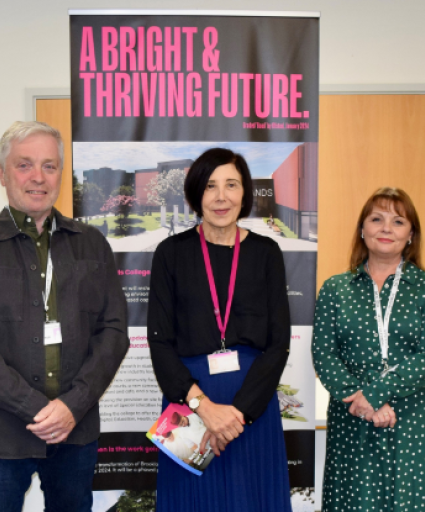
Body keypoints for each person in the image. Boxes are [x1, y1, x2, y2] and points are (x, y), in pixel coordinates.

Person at [0, 121, 128, 512]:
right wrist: (36, 407)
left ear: (61, 172)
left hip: (74, 431)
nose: (38, 178)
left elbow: (113, 332)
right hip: (0, 433)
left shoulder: (91, 243)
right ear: (2, 173)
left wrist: (72, 405)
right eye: (24, 165)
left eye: (50, 165)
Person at [148, 148, 292, 512]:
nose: (221, 196)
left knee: (253, 499)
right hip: (187, 402)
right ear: (196, 195)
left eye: (231, 185)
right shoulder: (170, 252)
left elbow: (279, 344)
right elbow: (160, 343)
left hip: (251, 407)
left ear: (246, 193)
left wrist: (236, 414)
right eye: (210, 186)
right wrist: (203, 407)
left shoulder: (267, 252)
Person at [312, 187, 425, 511]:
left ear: (411, 234)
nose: (386, 228)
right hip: (352, 414)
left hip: (412, 417)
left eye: (398, 221)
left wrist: (375, 393)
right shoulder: (335, 289)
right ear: (362, 229)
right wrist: (360, 400)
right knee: (355, 501)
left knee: (411, 502)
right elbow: (324, 354)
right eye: (377, 219)